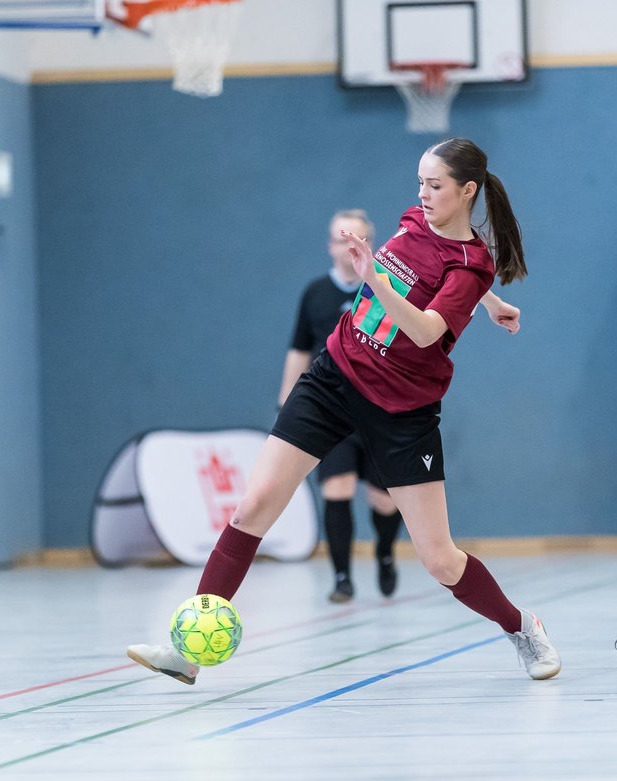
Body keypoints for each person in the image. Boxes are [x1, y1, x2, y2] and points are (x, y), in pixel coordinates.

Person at [129, 137, 560, 683]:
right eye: (420, 183)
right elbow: (432, 276)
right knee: (253, 506)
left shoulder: (474, 264)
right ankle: (187, 654)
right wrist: (492, 305)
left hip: (403, 409)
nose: (422, 195)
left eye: (435, 185)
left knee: (440, 559)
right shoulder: (413, 221)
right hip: (334, 376)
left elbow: (428, 330)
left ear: (467, 190)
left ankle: (522, 626)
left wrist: (379, 278)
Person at [278, 210, 404, 604]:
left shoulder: (387, 289)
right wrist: (287, 400)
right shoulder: (315, 293)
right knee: (338, 488)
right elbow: (299, 349)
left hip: (380, 409)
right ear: (329, 246)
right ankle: (342, 577)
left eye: (356, 239)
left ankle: (384, 553)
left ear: (370, 243)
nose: (346, 247)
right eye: (338, 239)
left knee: (384, 500)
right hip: (331, 408)